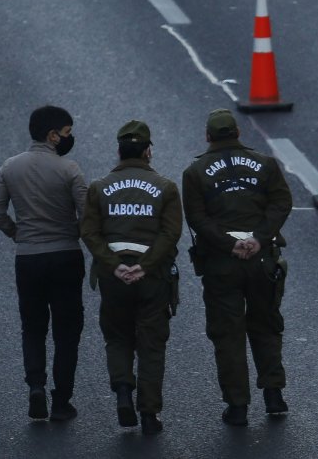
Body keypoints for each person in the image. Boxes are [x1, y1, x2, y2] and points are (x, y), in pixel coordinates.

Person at [182, 108, 292, 426]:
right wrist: (258, 239)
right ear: (238, 134)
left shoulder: (195, 172)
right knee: (266, 326)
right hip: (262, 261)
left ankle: (238, 405)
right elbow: (281, 202)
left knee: (227, 335)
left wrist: (230, 244)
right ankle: (274, 395)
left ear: (208, 136)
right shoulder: (266, 164)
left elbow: (197, 219)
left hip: (221, 264)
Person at [80, 120, 182, 436]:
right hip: (151, 278)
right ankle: (149, 414)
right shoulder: (165, 188)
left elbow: (89, 232)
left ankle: (123, 392)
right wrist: (145, 265)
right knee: (152, 345)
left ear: (118, 151)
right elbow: (171, 234)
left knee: (118, 336)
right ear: (148, 151)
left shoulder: (99, 187)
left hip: (114, 279)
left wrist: (114, 265)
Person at [0, 105, 86, 422]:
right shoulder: (69, 170)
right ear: (53, 135)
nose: (70, 139)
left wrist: (18, 234)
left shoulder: (10, 167)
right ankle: (62, 400)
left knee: (33, 326)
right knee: (67, 329)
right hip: (65, 256)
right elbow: (89, 215)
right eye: (67, 133)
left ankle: (36, 388)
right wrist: (74, 234)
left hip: (28, 259)